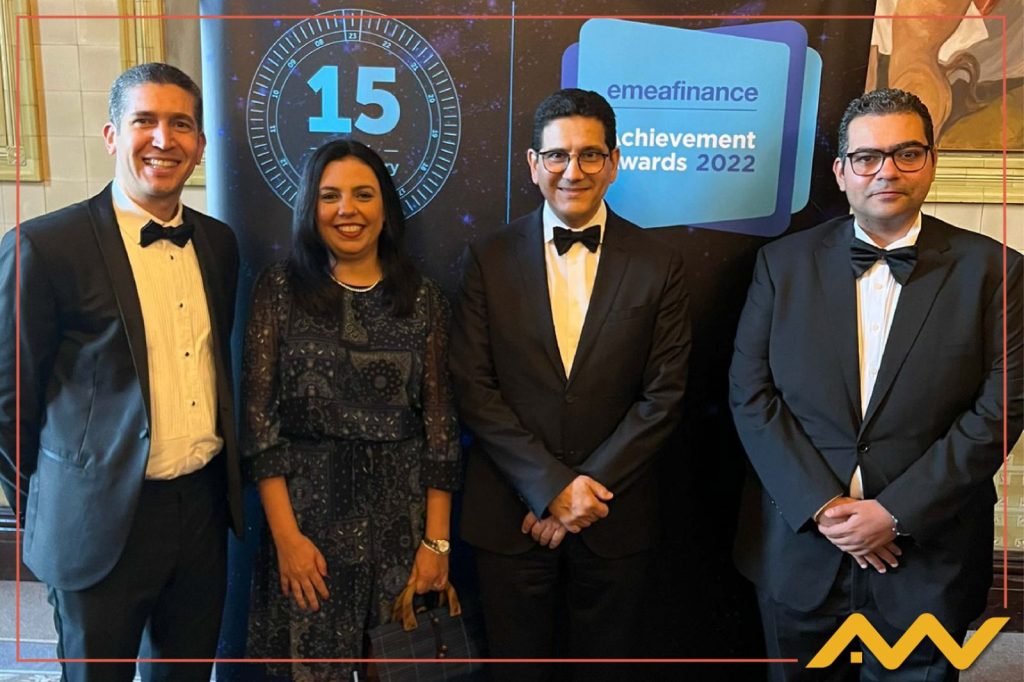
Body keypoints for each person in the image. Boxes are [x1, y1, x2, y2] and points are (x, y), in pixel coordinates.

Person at [730, 88, 1023, 681]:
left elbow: (1002, 408)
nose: (886, 171)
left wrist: (894, 511)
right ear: (842, 172)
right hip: (800, 547)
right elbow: (751, 394)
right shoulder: (780, 265)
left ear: (931, 163)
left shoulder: (998, 271)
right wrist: (824, 505)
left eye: (906, 153)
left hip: (929, 553)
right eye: (867, 157)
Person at [0, 63, 243, 681]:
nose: (164, 139)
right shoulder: (43, 246)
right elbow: (8, 402)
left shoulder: (219, 244)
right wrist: (52, 501)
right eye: (145, 121)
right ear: (112, 135)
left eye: (180, 124)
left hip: (201, 513)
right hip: (93, 521)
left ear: (200, 144)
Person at [450, 88, 691, 681]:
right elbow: (474, 387)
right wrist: (549, 488)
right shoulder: (487, 257)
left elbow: (663, 396)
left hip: (614, 518)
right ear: (534, 164)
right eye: (557, 155)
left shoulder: (660, 262)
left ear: (614, 162)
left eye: (590, 155)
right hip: (510, 516)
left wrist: (581, 495)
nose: (572, 171)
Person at [242, 138, 461, 681]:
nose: (347, 210)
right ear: (310, 208)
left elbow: (440, 427)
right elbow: (260, 426)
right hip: (307, 531)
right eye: (330, 196)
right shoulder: (279, 290)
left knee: (400, 673)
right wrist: (287, 540)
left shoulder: (425, 299)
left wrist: (436, 543)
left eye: (363, 194)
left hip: (402, 532)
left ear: (385, 208)